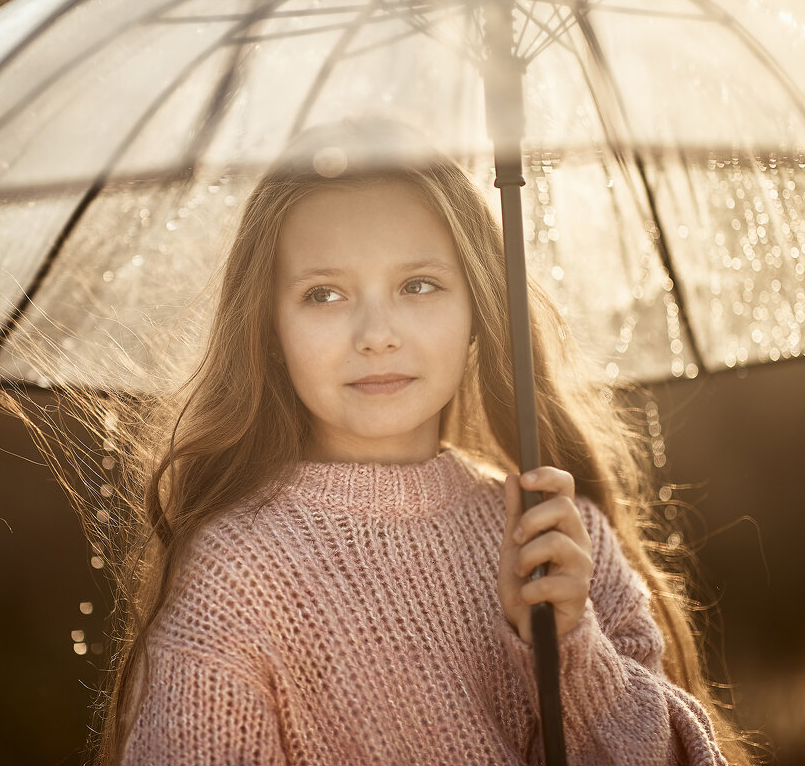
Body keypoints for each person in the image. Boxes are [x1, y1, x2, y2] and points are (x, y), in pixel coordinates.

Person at [94, 119, 746, 765]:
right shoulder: (235, 577)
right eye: (324, 293)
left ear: (477, 310)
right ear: (269, 327)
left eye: (418, 285)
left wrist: (572, 647)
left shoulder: (556, 538)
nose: (377, 332)